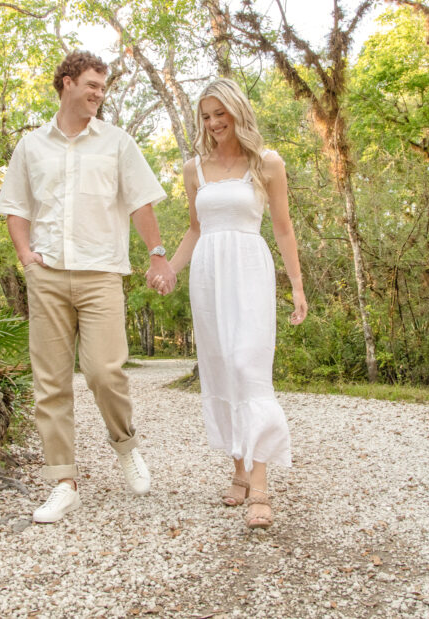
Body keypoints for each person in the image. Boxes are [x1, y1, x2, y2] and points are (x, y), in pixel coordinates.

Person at [0, 50, 176, 524]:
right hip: (48, 274)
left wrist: (157, 254)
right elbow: (16, 206)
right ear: (67, 83)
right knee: (50, 383)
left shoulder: (116, 143)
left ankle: (126, 446)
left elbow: (140, 204)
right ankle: (63, 482)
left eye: (103, 87)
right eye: (91, 84)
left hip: (101, 274)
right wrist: (26, 257)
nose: (98, 93)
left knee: (103, 371)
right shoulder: (32, 146)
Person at [158, 78, 307, 529]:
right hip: (208, 275)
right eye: (205, 116)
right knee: (222, 366)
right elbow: (195, 228)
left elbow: (282, 228)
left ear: (237, 111)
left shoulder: (267, 163)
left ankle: (260, 487)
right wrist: (171, 270)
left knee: (248, 365)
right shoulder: (194, 169)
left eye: (220, 113)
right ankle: (238, 469)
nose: (213, 123)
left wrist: (297, 286)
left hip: (249, 269)